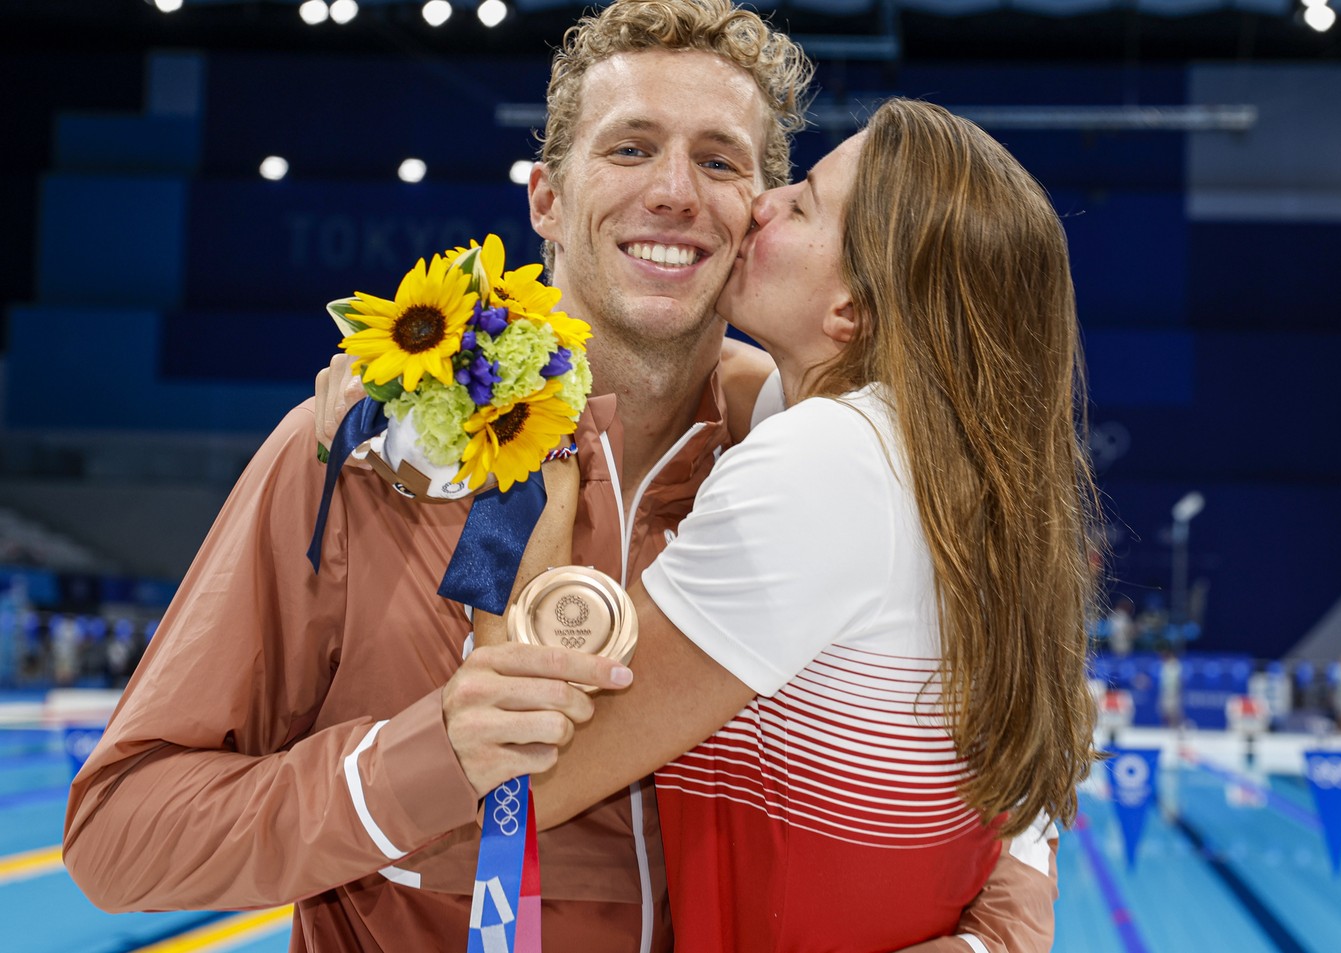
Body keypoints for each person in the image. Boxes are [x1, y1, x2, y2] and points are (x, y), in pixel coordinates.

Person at [63, 2, 1051, 951]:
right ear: (547, 196)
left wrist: (991, 941)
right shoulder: (362, 458)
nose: (673, 190)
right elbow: (119, 835)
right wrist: (412, 763)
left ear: (757, 215)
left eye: (719, 160)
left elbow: (1007, 763)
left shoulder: (817, 466)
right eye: (629, 147)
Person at [525, 98, 1100, 951]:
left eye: (802, 204)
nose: (764, 201)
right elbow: (696, 358)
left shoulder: (828, 460)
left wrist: (542, 470)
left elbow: (534, 774)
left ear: (852, 315)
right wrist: (450, 344)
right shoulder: (951, 466)